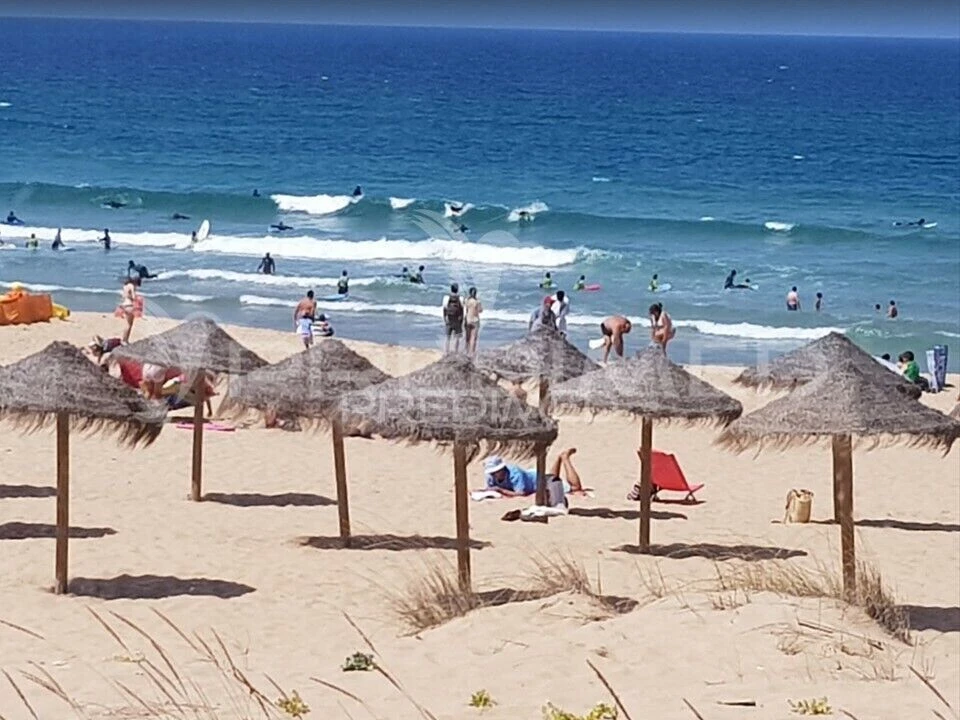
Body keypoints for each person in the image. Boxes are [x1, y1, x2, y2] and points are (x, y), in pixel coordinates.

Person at [483, 448, 583, 498]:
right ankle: (559, 458)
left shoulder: (515, 474)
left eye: (495, 472)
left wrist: (500, 490)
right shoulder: (490, 477)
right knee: (552, 478)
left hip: (537, 480)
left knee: (575, 488)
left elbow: (521, 493)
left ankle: (565, 458)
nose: (493, 475)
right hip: (531, 476)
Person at [115, 276, 141, 344]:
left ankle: (124, 339)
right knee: (129, 324)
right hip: (129, 305)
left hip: (124, 305)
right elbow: (133, 296)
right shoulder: (132, 286)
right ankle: (125, 340)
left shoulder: (125, 286)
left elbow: (123, 296)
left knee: (127, 324)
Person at [442, 283, 464, 353]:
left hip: (449, 319)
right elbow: (462, 310)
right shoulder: (460, 298)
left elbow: (444, 309)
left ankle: (446, 351)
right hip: (457, 319)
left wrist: (445, 319)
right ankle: (456, 351)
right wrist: (461, 320)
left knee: (448, 337)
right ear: (457, 290)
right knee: (457, 336)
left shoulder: (446, 298)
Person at [464, 286, 483, 356]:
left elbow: (465, 308)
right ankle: (472, 353)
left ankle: (466, 350)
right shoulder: (477, 302)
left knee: (467, 337)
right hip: (475, 320)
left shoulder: (467, 300)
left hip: (468, 320)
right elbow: (480, 310)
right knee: (473, 338)